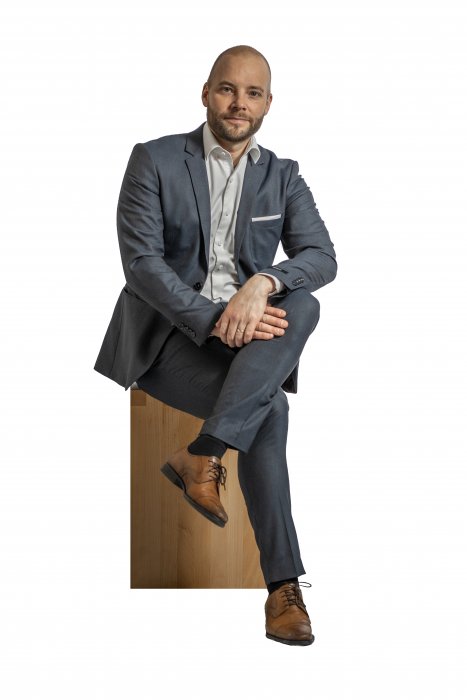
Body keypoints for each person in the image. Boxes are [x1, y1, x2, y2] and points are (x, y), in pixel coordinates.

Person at [94, 45, 337, 646]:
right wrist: (215, 318)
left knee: (304, 302)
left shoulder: (283, 175)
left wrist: (263, 283)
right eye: (228, 89)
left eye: (253, 94)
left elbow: (321, 257)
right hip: (165, 340)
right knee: (270, 410)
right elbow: (141, 265)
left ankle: (202, 452)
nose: (238, 104)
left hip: (245, 338)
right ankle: (283, 587)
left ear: (269, 104)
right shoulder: (153, 159)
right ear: (206, 93)